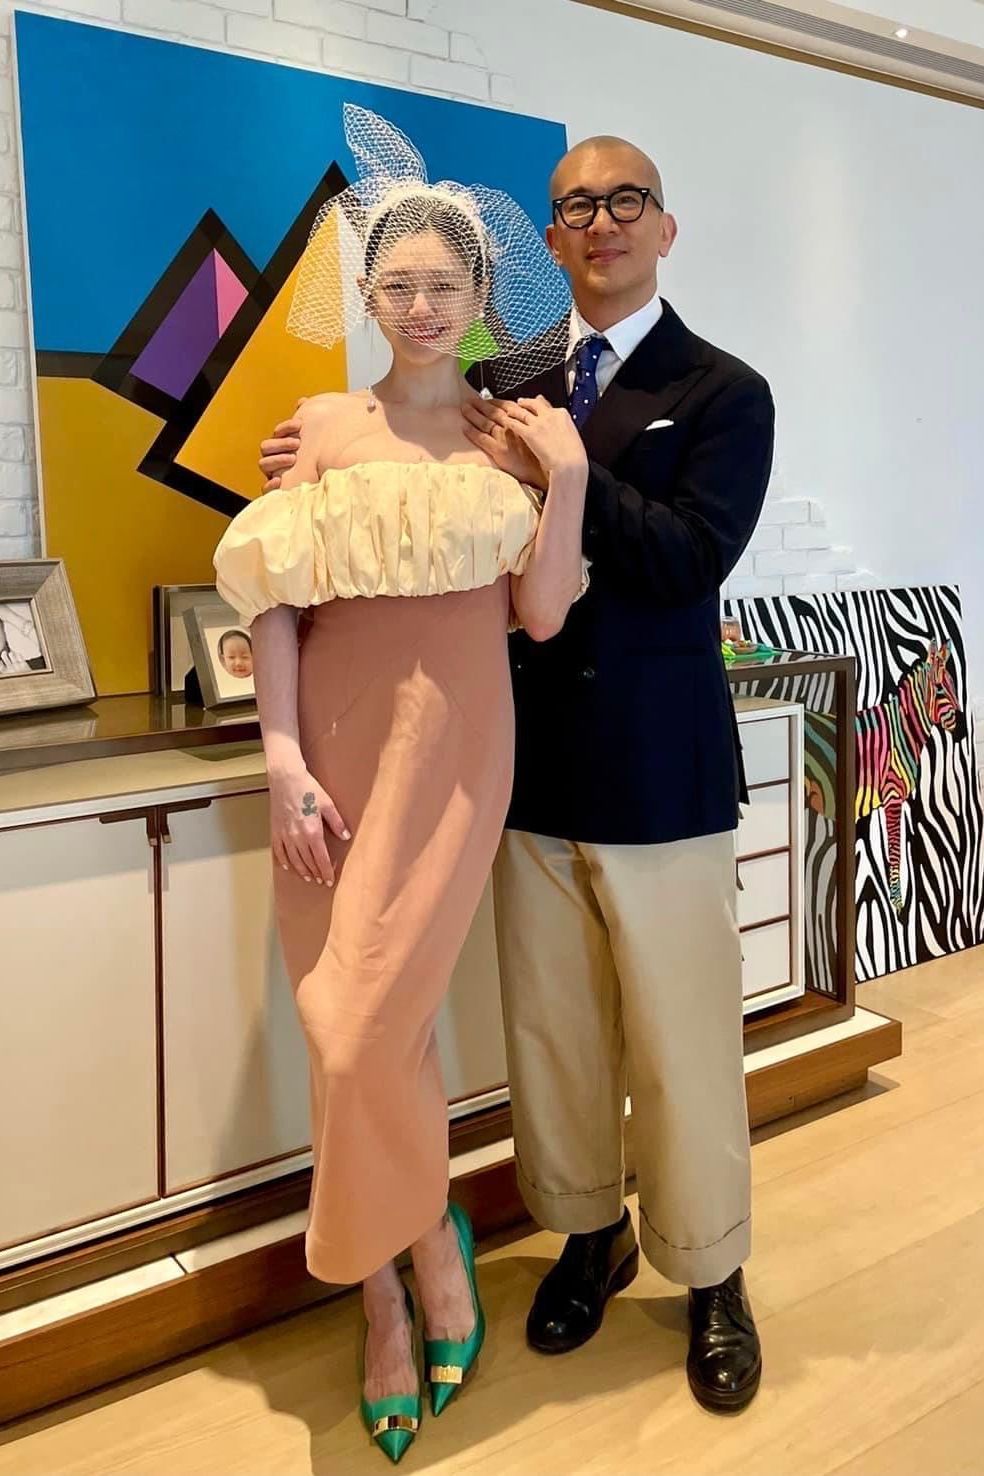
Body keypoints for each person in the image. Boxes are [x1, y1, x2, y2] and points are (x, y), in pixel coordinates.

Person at [262, 131, 775, 1416]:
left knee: (683, 1039)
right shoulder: (497, 388)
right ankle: (586, 1236)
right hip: (520, 768)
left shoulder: (722, 389)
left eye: (626, 200)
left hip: (655, 767)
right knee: (552, 1034)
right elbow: (393, 493)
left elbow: (689, 558)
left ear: (665, 226)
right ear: (546, 242)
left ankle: (712, 1272)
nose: (602, 221)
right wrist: (321, 466)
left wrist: (568, 472)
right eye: (576, 206)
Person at [217, 105, 586, 1464]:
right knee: (348, 1032)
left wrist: (569, 477)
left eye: (445, 286)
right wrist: (281, 759)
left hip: (459, 755)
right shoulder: (317, 428)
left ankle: (413, 1254)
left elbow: (540, 613)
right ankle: (402, 1268)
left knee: (379, 1027)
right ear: (367, 298)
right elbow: (277, 600)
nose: (422, 307)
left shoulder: (510, 438)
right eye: (398, 285)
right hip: (331, 753)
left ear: (482, 298)